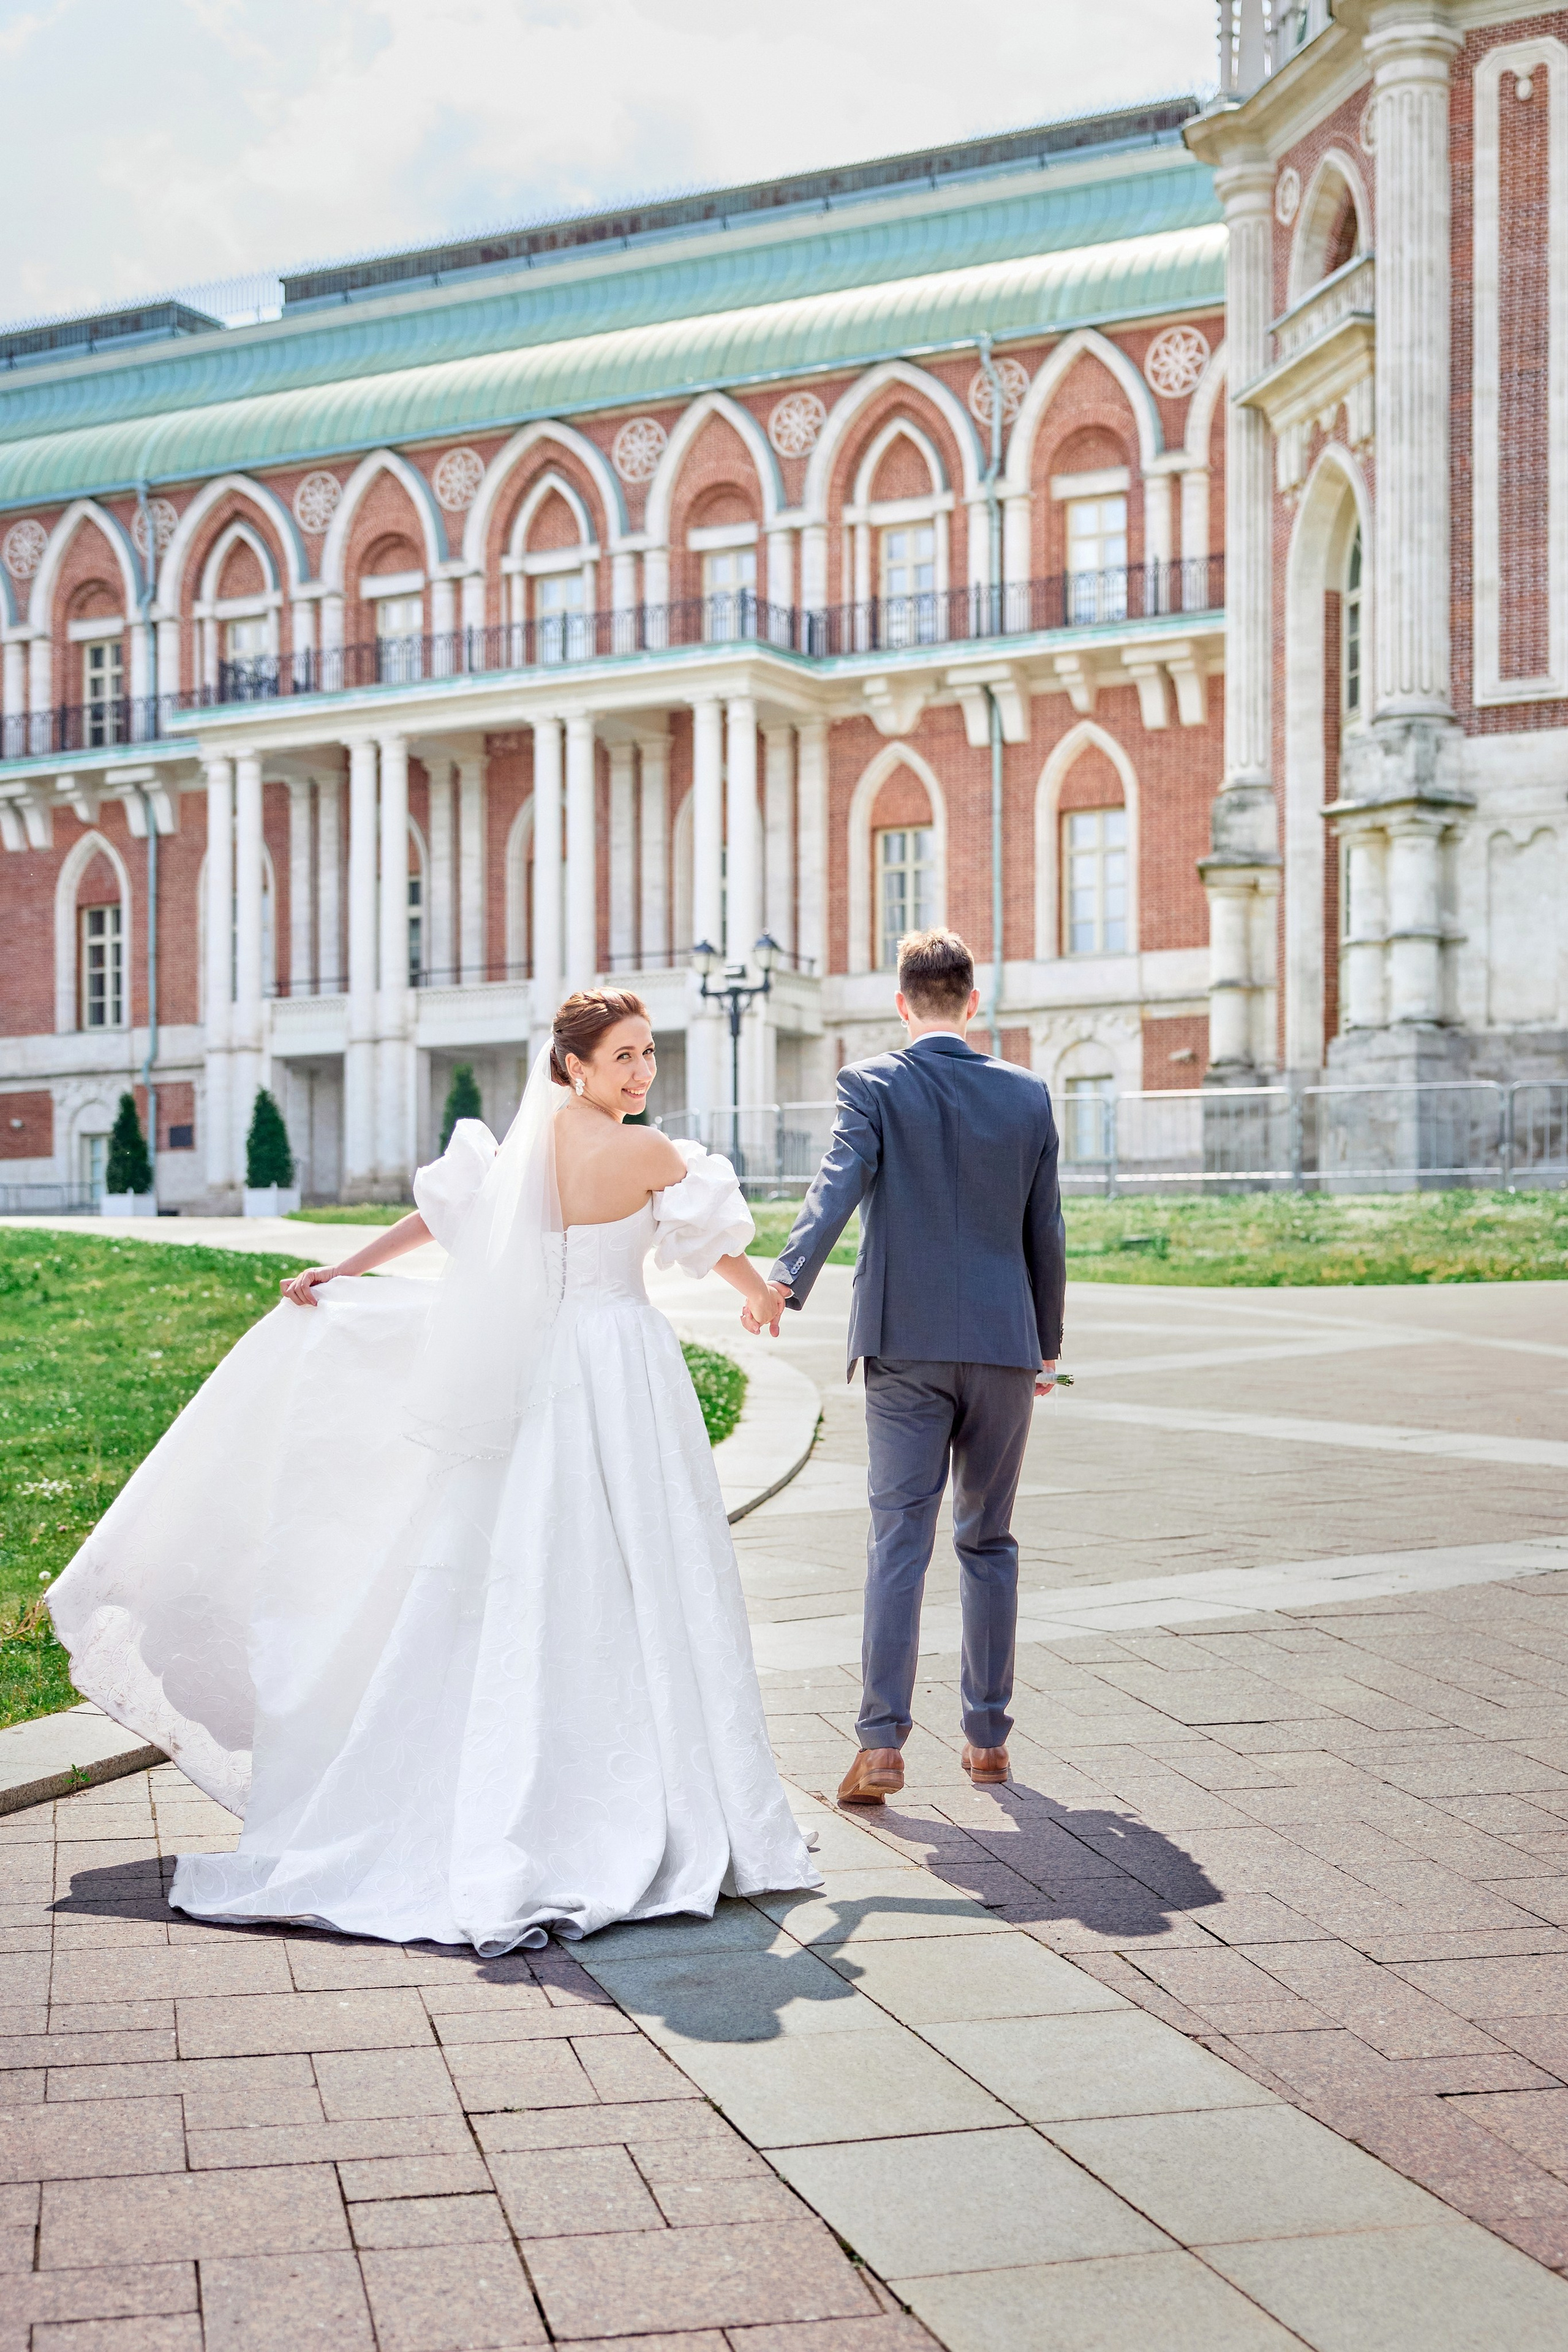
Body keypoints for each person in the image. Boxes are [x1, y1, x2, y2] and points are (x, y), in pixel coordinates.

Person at [48, 990, 819, 1954]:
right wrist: (764, 1296)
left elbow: (441, 1224)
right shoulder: (655, 1155)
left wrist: (344, 1268)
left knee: (535, 1560)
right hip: (619, 1366)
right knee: (635, 1564)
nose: (640, 1073)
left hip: (547, 1368)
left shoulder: (523, 1157)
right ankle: (647, 1789)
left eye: (649, 1055)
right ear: (572, 1065)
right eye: (623, 1056)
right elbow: (719, 1252)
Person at [756, 929, 1065, 1804]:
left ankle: (882, 1746)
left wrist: (784, 1281)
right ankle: (989, 1739)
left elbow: (836, 1188)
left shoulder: (874, 1083)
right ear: (974, 1002)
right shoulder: (1027, 1095)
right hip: (1004, 1347)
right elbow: (1045, 1230)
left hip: (904, 1347)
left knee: (899, 1539)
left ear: (902, 1005)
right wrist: (1047, 1344)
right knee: (989, 1541)